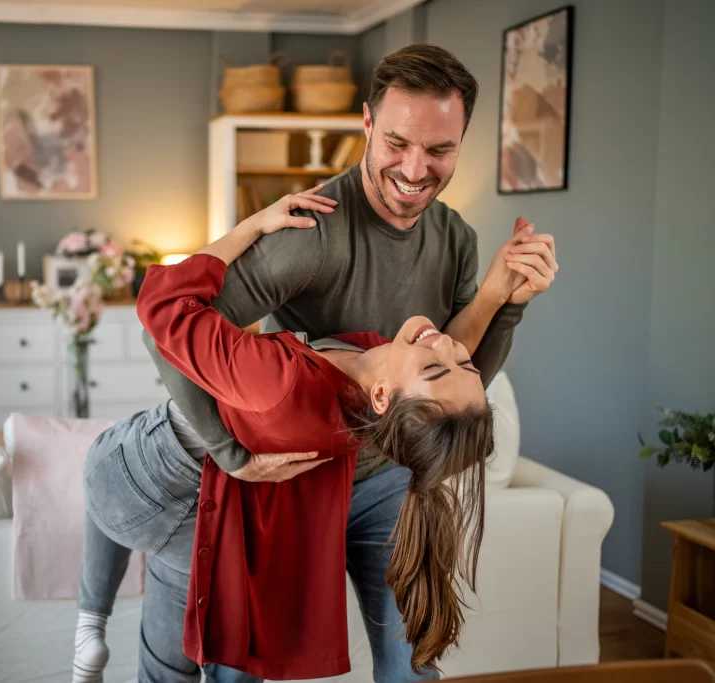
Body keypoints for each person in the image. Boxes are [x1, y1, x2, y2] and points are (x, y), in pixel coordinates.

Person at [133, 43, 558, 682]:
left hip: (388, 479)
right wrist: (230, 452)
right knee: (243, 666)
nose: (416, 169)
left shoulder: (456, 240)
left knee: (414, 664)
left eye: (440, 149)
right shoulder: (314, 234)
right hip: (298, 476)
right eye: (397, 142)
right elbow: (168, 331)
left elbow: (460, 379)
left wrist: (511, 302)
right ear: (366, 123)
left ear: (462, 141)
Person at [70, 184, 537, 682]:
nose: (446, 342)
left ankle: (88, 624)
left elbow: (160, 309)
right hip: (187, 479)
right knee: (185, 631)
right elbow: (444, 406)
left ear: (384, 399)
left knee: (98, 484)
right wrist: (500, 299)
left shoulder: (285, 382)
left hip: (148, 470)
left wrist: (253, 225)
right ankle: (90, 624)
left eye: (437, 366)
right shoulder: (377, 405)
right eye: (461, 360)